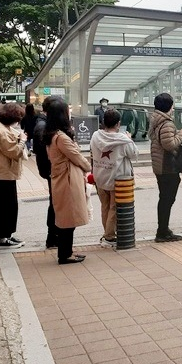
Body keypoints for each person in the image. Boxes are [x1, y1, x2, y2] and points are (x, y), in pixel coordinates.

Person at [45, 100, 91, 264]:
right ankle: (65, 254)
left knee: (66, 216)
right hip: (68, 180)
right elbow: (76, 156)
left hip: (62, 178)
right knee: (68, 217)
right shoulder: (61, 138)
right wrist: (88, 167)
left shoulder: (52, 135)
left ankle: (67, 251)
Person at [90, 109, 138, 247]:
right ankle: (109, 236)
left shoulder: (95, 136)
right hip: (117, 180)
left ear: (103, 122)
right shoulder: (123, 140)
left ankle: (107, 233)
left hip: (100, 177)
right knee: (114, 208)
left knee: (105, 207)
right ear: (118, 124)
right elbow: (134, 154)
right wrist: (129, 138)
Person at [149, 93, 182, 242]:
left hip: (160, 165)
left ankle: (163, 229)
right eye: (172, 105)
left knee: (164, 198)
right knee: (167, 199)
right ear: (168, 106)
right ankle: (162, 232)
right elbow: (169, 144)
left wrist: (177, 133)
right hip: (167, 165)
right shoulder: (166, 123)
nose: (173, 108)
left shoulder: (155, 120)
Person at [0, 102, 27, 248]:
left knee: (8, 205)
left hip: (3, 172)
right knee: (6, 206)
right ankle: (3, 238)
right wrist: (22, 140)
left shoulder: (0, 128)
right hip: (3, 172)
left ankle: (7, 235)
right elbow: (14, 152)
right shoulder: (1, 132)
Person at [33, 96, 61, 248]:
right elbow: (44, 152)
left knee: (55, 202)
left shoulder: (43, 124)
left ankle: (53, 236)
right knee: (55, 203)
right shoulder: (43, 126)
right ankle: (53, 237)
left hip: (50, 170)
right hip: (52, 170)